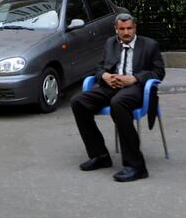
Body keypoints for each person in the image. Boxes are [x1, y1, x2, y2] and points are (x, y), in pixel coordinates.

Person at [70, 12, 165, 182]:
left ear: (135, 28)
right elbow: (98, 67)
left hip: (135, 88)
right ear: (116, 29)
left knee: (118, 103)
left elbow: (159, 72)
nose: (126, 32)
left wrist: (134, 78)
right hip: (111, 86)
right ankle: (100, 155)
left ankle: (136, 166)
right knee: (78, 102)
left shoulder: (150, 45)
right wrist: (105, 76)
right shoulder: (110, 43)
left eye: (129, 28)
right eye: (122, 29)